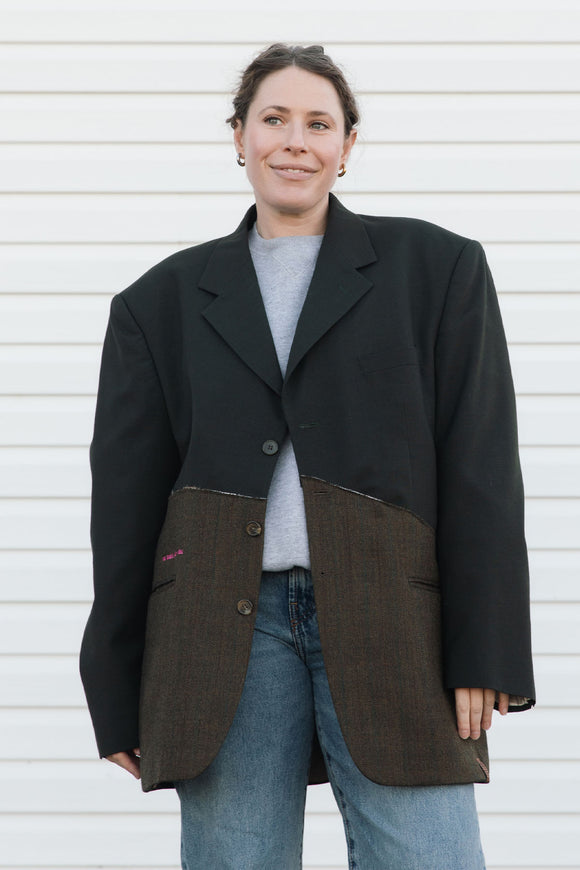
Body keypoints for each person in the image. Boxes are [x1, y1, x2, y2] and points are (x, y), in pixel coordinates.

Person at [80, 43, 535, 869]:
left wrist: (488, 648)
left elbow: (481, 467)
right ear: (239, 137)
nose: (296, 141)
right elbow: (125, 504)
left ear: (347, 146)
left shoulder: (436, 270)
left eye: (319, 123)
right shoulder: (158, 304)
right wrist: (114, 685)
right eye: (274, 119)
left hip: (399, 620)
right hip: (222, 631)